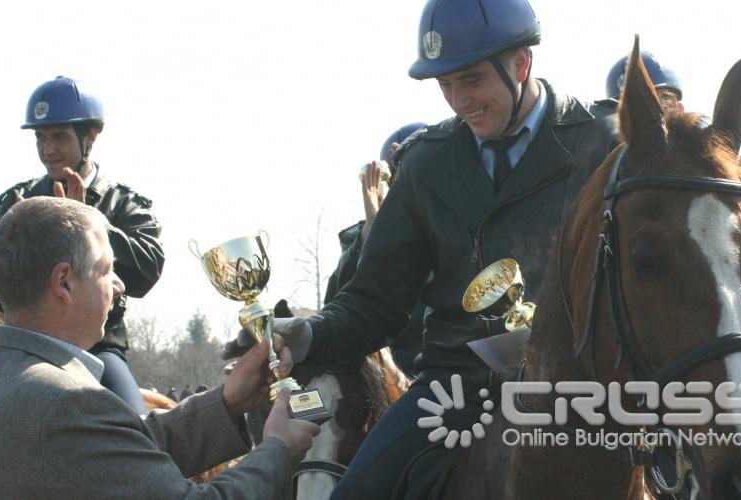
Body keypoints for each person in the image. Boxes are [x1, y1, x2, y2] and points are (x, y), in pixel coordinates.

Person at [226, 1, 615, 497]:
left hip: (583, 389)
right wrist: (305, 337)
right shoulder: (424, 166)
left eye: (471, 80)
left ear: (521, 63)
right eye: (445, 85)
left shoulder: (603, 145)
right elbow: (374, 304)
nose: (458, 101)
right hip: (453, 390)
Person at [0, 197, 319, 499]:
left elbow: (125, 449)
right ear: (63, 282)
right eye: (106, 269)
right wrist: (277, 449)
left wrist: (227, 402)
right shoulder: (63, 401)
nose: (118, 285)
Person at [605, 51, 741, 499]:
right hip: (654, 348)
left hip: (726, 338)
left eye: (670, 104)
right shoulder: (619, 192)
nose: (663, 117)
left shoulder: (725, 174)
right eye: (652, 107)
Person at [0, 76, 163, 415]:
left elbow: (148, 270)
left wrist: (92, 221)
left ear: (90, 136)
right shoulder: (16, 202)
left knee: (137, 430)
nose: (48, 149)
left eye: (59, 137)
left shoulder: (124, 204)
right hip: (22, 350)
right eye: (41, 138)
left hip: (99, 349)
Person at [321, 122, 428, 376]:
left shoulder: (459, 225)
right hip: (390, 371)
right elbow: (337, 303)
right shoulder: (359, 238)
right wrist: (374, 230)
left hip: (451, 362)